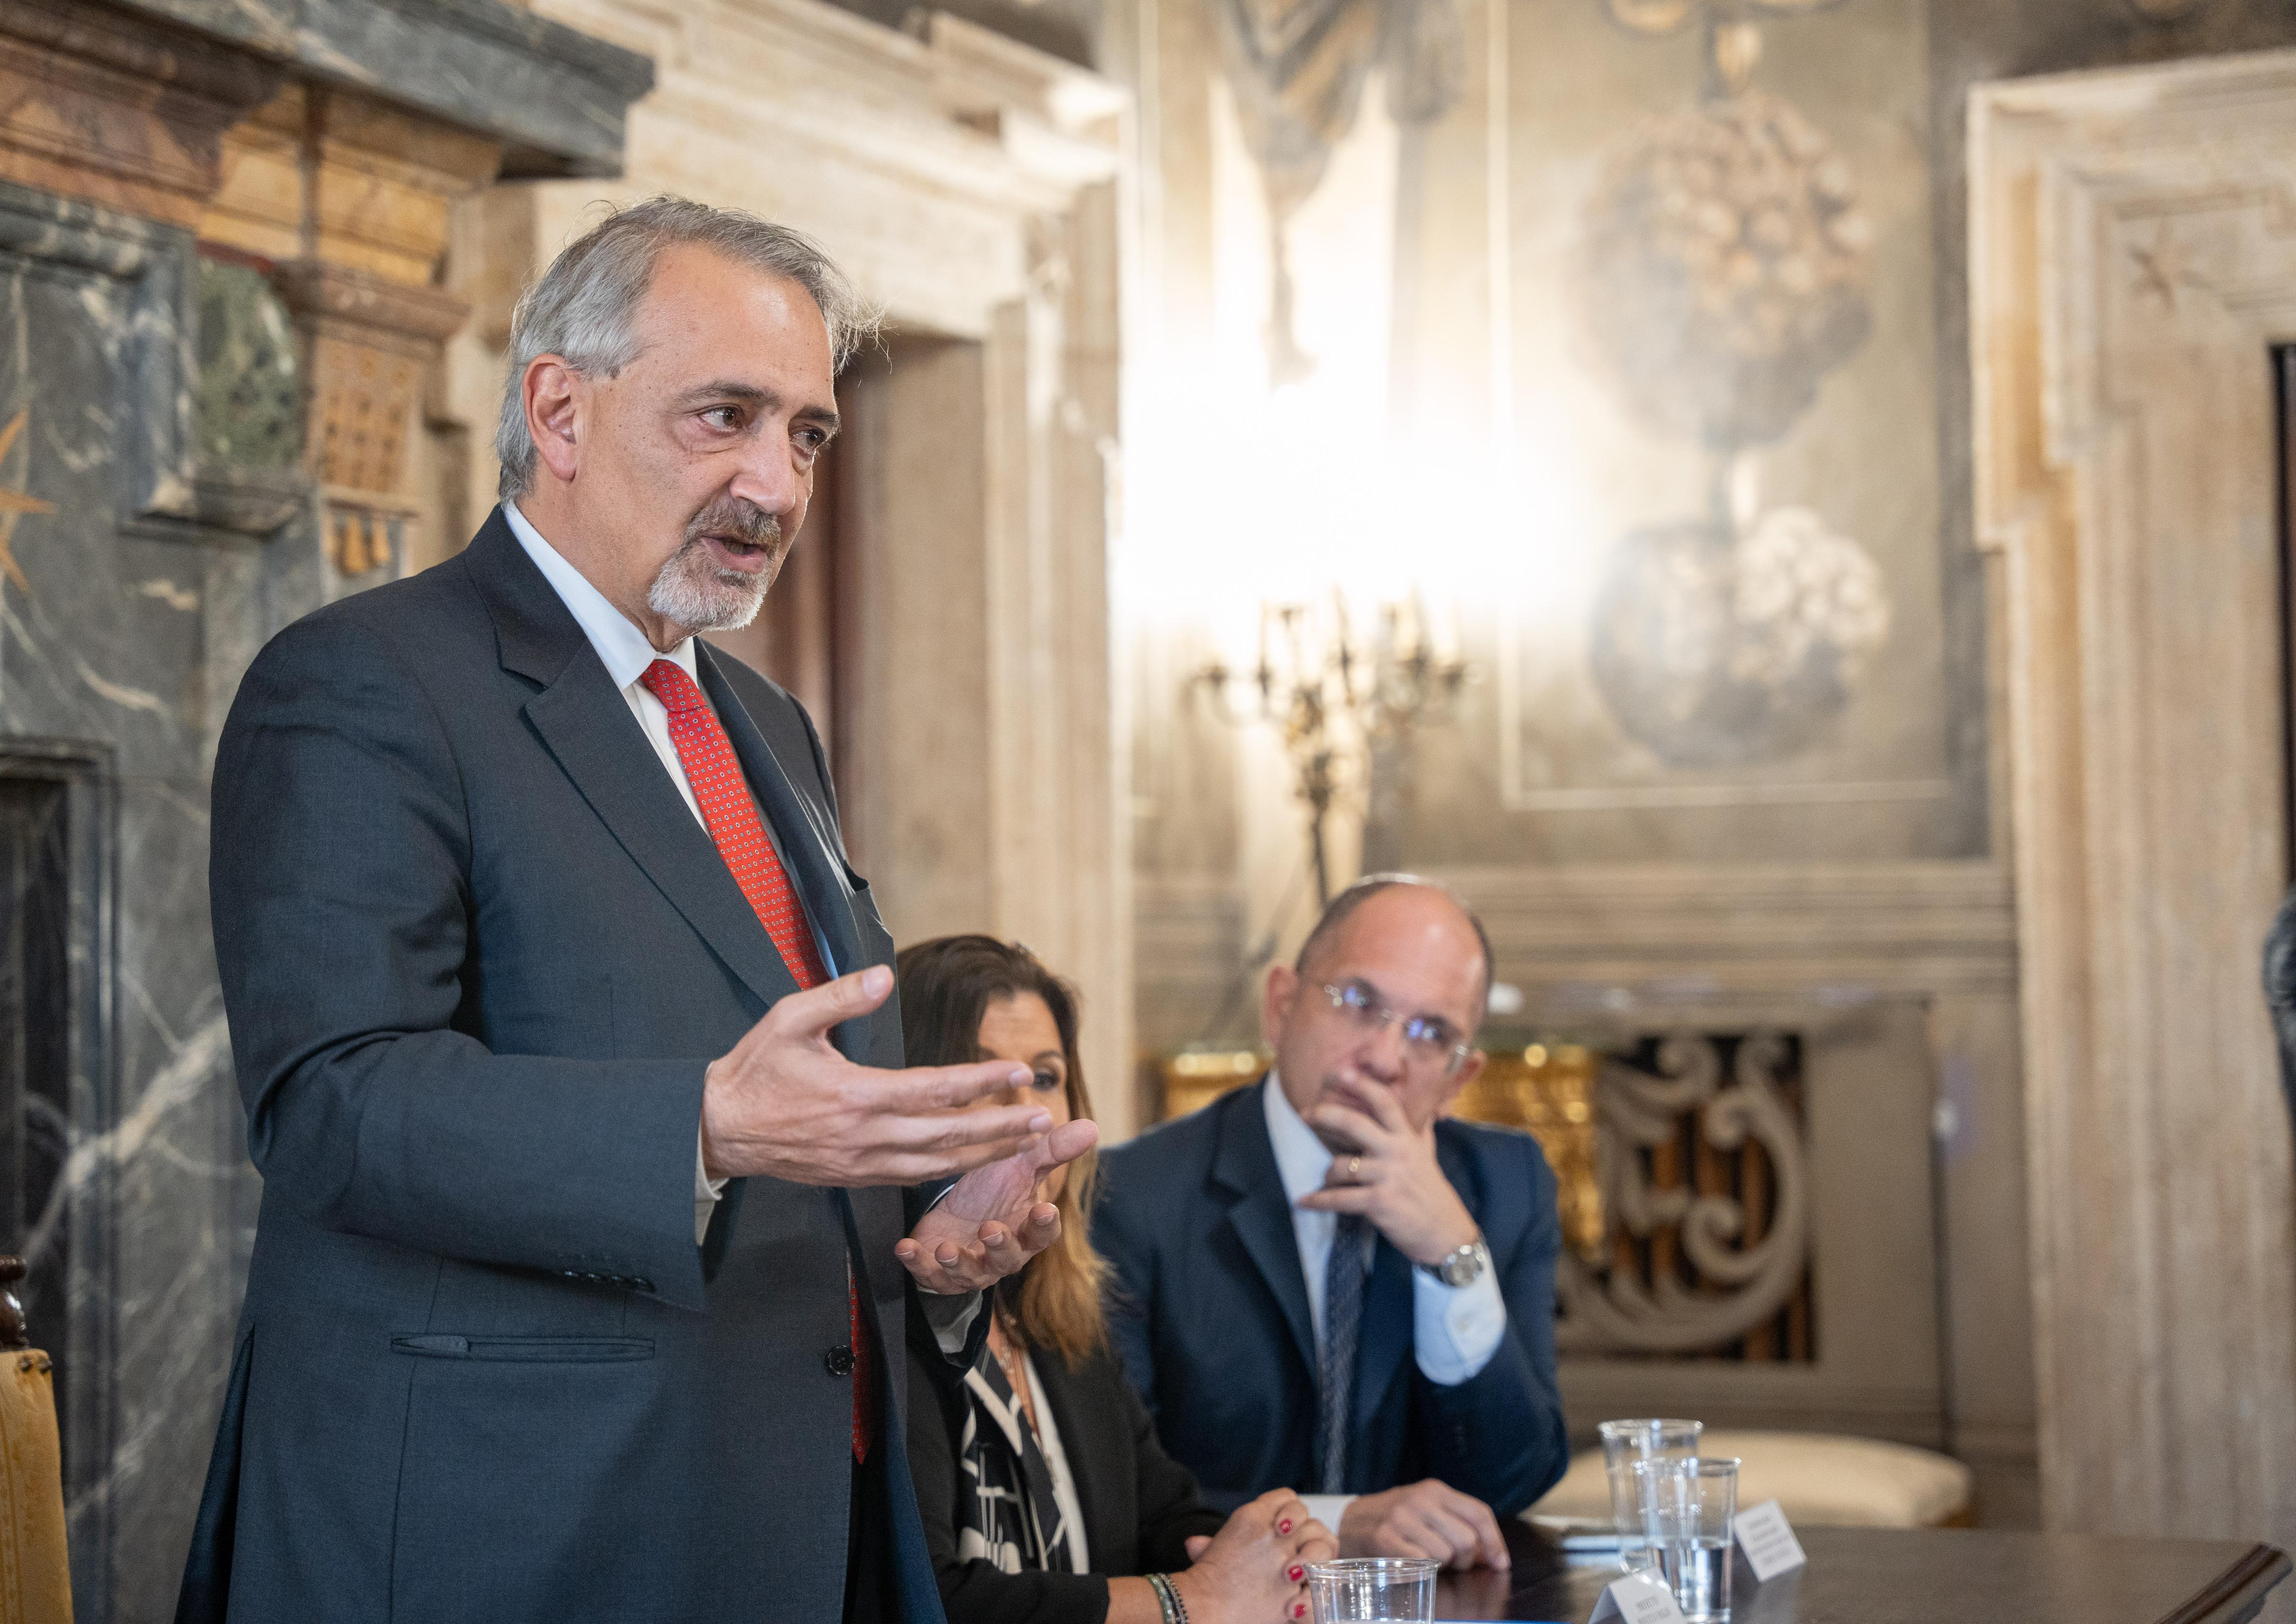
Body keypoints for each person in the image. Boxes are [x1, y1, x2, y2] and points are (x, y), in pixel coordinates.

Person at [177, 198, 1097, 1624]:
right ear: (559, 408)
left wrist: (934, 1236)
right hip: (518, 1536)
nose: (775, 486)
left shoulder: (766, 721)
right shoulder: (366, 681)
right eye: (725, 415)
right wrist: (702, 1127)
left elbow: (801, 1099)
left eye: (806, 435)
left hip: (799, 1529)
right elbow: (331, 1103)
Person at [1093, 875, 1567, 1575]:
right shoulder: (1135, 1196)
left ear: (1459, 1078)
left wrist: (1451, 1258)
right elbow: (1118, 1494)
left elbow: (1514, 1479)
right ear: (1281, 1006)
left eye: (1430, 1033)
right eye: (1360, 1003)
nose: (1383, 1057)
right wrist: (1341, 1523)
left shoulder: (1504, 1186)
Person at [898, 936, 1335, 1624]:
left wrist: (1262, 1551)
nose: (1028, 1115)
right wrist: (1191, 1600)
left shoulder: (1062, 1313)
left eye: (1046, 1078)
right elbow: (930, 1599)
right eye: (980, 1079)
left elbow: (1164, 1517)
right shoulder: (871, 1322)